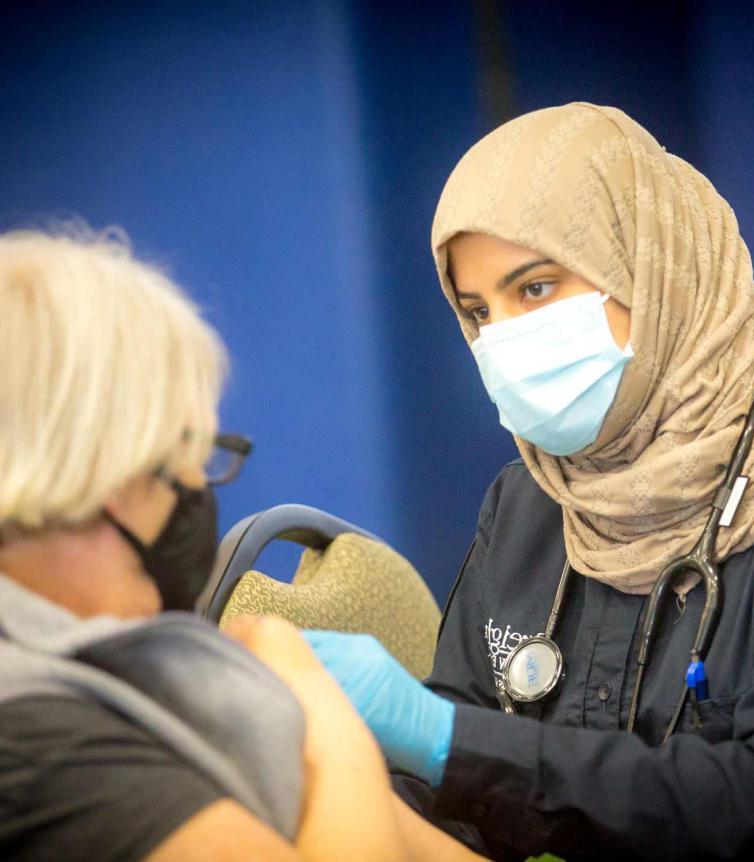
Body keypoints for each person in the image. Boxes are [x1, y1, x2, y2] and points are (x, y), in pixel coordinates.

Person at [303, 103, 754, 860]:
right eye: (477, 310)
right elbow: (453, 768)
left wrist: (450, 742)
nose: (504, 341)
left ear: (652, 268)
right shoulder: (531, 496)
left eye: (534, 289)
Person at [0, 228, 487, 862]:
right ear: (86, 475)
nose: (196, 494)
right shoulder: (33, 742)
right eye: (179, 460)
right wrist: (320, 715)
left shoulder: (117, 665)